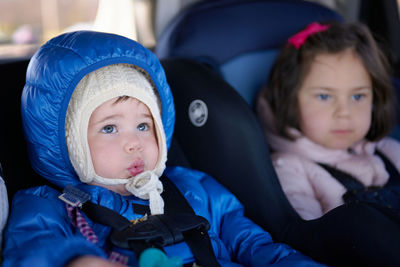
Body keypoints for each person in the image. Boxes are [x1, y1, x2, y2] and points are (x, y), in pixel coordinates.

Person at [2, 30, 321, 267]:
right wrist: (75, 260)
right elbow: (31, 252)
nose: (134, 143)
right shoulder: (50, 207)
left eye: (144, 126)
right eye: (109, 128)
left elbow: (256, 246)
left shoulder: (196, 188)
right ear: (68, 142)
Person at [257, 21, 400, 221]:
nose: (344, 112)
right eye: (324, 96)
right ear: (290, 101)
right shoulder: (290, 169)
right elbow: (308, 242)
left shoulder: (391, 151)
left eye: (358, 97)